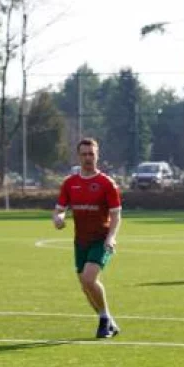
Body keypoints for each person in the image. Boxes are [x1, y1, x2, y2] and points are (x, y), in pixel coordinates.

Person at [53, 138, 123, 339]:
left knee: (89, 278)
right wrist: (58, 218)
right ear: (78, 156)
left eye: (91, 154)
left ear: (97, 155)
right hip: (80, 241)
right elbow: (59, 210)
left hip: (101, 240)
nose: (87, 158)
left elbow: (116, 214)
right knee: (85, 286)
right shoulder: (69, 183)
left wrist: (111, 237)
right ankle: (107, 319)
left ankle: (103, 321)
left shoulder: (106, 183)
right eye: (84, 154)